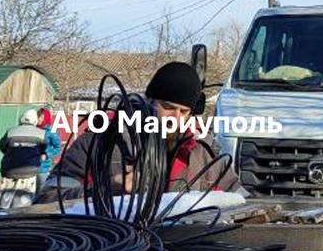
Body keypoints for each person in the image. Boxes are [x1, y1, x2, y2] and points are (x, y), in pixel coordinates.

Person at [36, 62, 241, 202]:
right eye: (168, 107)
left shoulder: (206, 155)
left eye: (184, 111)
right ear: (149, 102)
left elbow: (242, 201)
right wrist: (108, 188)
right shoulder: (99, 143)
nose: (176, 118)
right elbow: (47, 198)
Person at [0, 109, 47, 209]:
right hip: (29, 172)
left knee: (4, 202)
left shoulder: (10, 131)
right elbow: (43, 149)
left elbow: (2, 146)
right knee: (25, 202)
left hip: (9, 170)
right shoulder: (41, 134)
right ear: (35, 121)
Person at [37, 107, 63, 190]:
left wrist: (47, 154)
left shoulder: (51, 131)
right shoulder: (33, 129)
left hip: (43, 168)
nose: (39, 119)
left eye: (41, 117)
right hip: (30, 167)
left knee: (41, 191)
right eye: (38, 117)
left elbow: (58, 147)